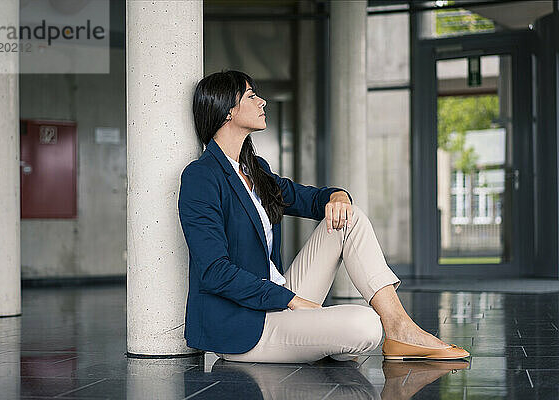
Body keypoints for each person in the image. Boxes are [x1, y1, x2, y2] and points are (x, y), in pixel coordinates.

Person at [177, 70, 470, 363]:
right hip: (244, 326)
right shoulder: (201, 177)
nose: (263, 102)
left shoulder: (256, 170)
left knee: (349, 218)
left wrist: (338, 196)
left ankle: (400, 327)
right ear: (227, 111)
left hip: (278, 302)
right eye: (252, 96)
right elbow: (215, 272)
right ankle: (335, 339)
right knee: (365, 325)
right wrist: (292, 301)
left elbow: (312, 199)